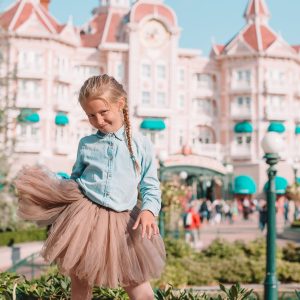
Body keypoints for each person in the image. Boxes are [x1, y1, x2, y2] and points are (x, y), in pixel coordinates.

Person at [14, 74, 166, 300]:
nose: (99, 120)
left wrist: (149, 210)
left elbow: (150, 185)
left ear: (120, 104)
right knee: (81, 283)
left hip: (123, 223)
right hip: (85, 219)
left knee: (138, 286)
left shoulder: (141, 144)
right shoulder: (86, 144)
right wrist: (56, 187)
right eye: (91, 116)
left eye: (103, 113)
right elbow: (75, 179)